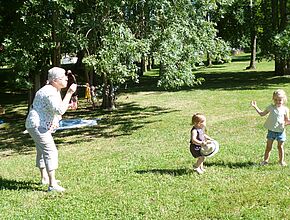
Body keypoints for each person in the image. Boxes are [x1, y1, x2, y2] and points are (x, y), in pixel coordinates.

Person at [25, 67, 77, 192]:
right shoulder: (49, 91)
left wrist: (67, 106)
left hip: (36, 124)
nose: (66, 79)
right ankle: (52, 184)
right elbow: (59, 110)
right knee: (50, 151)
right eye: (63, 77)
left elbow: (54, 108)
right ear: (55, 80)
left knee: (42, 150)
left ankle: (44, 178)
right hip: (37, 125)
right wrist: (69, 93)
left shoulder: (54, 89)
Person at [251, 89, 290, 166]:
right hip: (271, 131)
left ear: (283, 99)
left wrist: (284, 123)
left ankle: (281, 161)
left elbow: (287, 121)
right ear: (273, 99)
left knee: (280, 147)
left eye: (280, 100)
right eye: (275, 99)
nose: (278, 101)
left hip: (280, 132)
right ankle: (265, 161)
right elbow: (262, 114)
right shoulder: (270, 107)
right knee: (268, 146)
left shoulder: (285, 109)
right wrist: (255, 106)